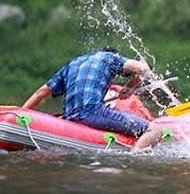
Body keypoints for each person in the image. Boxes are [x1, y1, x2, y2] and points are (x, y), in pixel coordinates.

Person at [22, 47, 162, 151]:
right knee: (154, 130)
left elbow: (40, 93)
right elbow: (144, 69)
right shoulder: (111, 58)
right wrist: (130, 87)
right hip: (93, 113)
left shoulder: (72, 64)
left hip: (70, 116)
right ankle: (133, 158)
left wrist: (21, 112)